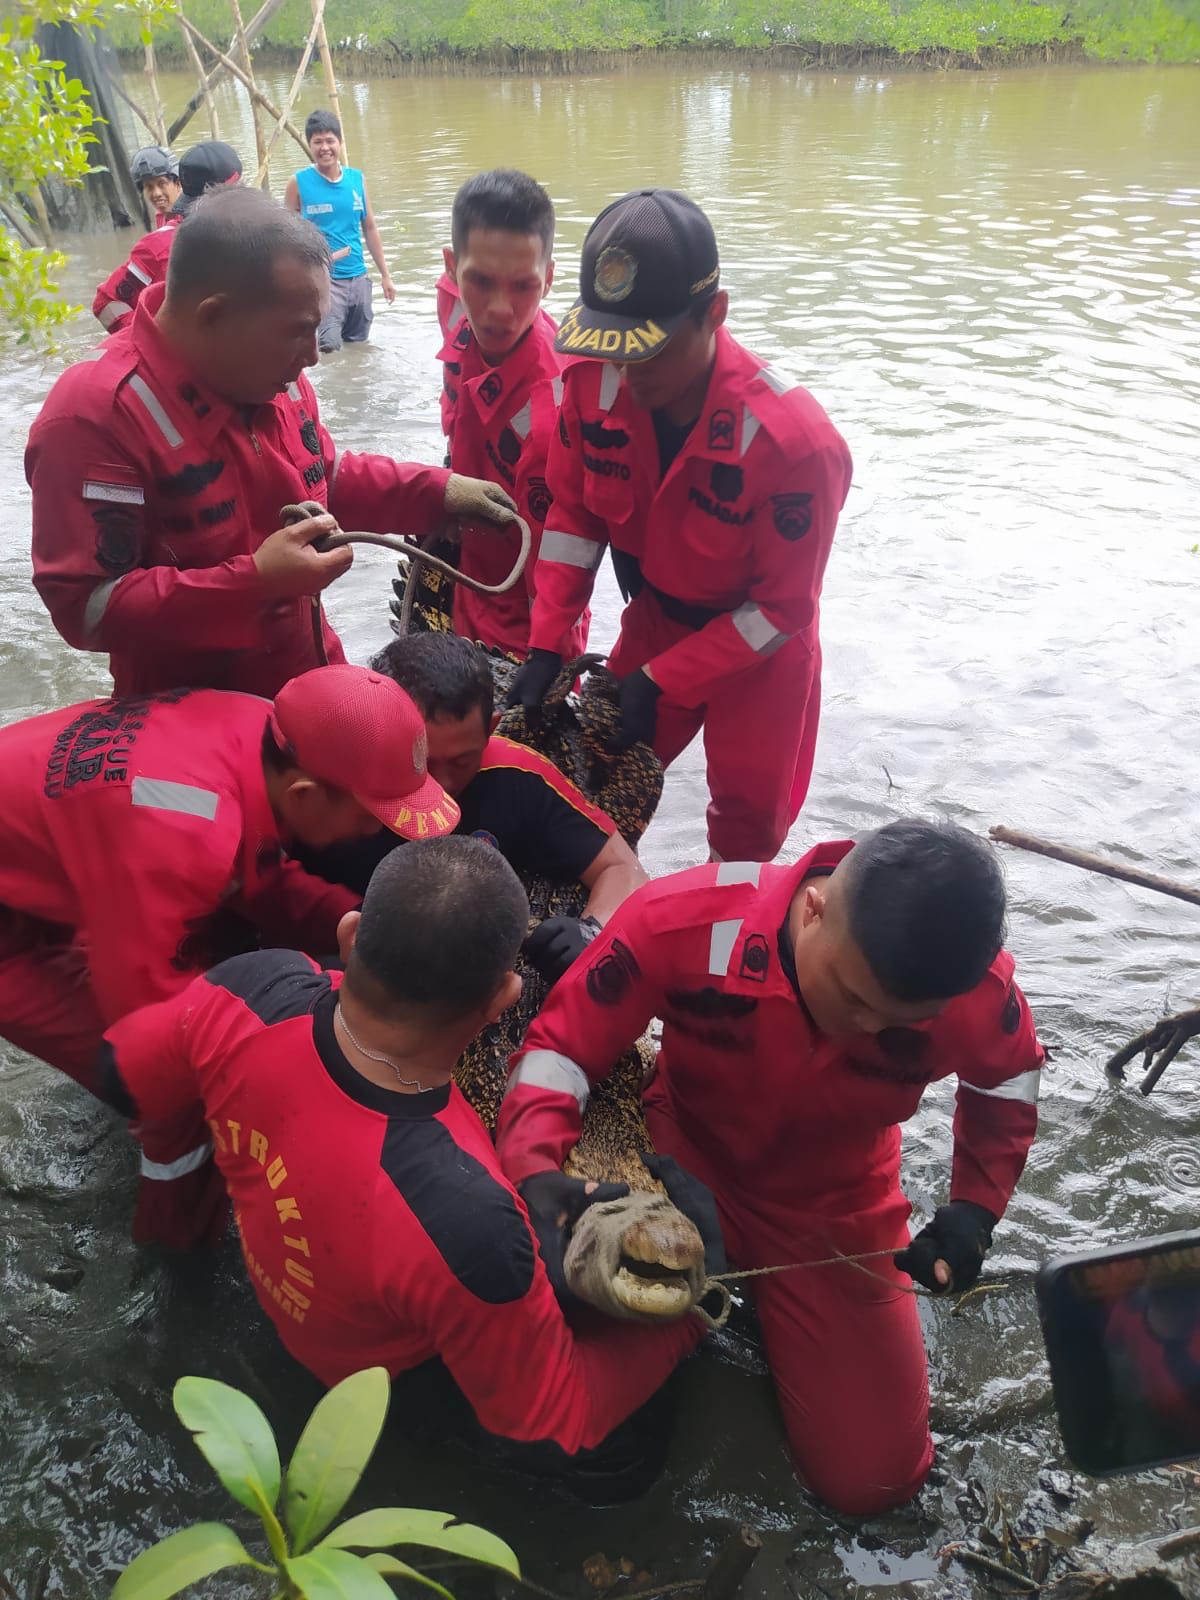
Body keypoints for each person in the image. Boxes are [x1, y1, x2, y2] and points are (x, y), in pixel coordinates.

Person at [98, 837, 712, 1498]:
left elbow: (120, 1072)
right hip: (378, 1390)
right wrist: (699, 1310)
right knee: (624, 1454)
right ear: (503, 998)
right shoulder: (466, 1211)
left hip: (290, 1302)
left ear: (351, 933)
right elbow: (547, 1423)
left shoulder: (256, 985)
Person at [497, 819, 1045, 1514]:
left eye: (898, 1022)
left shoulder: (973, 985)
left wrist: (974, 1210)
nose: (866, 1029)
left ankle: (706, 1316)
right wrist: (533, 1176)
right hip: (680, 1160)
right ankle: (686, 1325)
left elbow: (1006, 1085)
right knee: (581, 1423)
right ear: (813, 909)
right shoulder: (683, 919)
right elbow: (562, 1049)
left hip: (836, 1202)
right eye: (852, 996)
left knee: (874, 1484)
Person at [0, 663, 455, 1243]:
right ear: (305, 795)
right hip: (18, 917)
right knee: (176, 1093)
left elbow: (256, 872)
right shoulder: (182, 831)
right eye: (371, 822)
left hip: (56, 852)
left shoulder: (255, 723)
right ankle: (169, 1259)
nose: (372, 836)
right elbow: (157, 1039)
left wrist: (353, 920)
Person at [29, 187, 516, 700]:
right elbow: (86, 609)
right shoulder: (96, 416)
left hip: (310, 670)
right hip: (194, 716)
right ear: (213, 317)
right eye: (298, 332)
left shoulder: (271, 373)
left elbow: (322, 478)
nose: (313, 356)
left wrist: (437, 493)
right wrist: (255, 584)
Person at [507, 188, 853, 864]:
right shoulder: (592, 385)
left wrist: (663, 681)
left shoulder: (794, 445)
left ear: (715, 314)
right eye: (614, 350)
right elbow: (574, 518)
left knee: (747, 832)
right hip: (658, 616)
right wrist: (547, 643)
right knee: (591, 784)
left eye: (652, 352)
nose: (629, 375)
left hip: (760, 653)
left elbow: (779, 610)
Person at [297, 633, 646, 986]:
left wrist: (592, 930)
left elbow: (623, 867)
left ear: (490, 730)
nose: (444, 784)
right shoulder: (334, 783)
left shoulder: (515, 773)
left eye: (462, 760)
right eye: (423, 762)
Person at [426, 169, 585, 661]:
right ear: (453, 269)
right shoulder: (454, 307)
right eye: (481, 281)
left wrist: (550, 655)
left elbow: (565, 555)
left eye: (523, 286)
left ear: (550, 279)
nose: (499, 310)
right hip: (465, 568)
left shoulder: (555, 409)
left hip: (524, 607)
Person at [92, 141, 241, 334]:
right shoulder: (157, 245)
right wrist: (148, 336)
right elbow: (106, 301)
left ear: (180, 183)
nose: (156, 194)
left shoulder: (243, 232)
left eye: (162, 184)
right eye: (148, 187)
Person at [285, 110, 394, 353]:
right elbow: (286, 237)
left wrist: (385, 275)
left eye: (330, 140)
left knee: (358, 349)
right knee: (329, 349)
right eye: (318, 142)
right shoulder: (298, 183)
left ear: (340, 143)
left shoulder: (357, 179)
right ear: (310, 145)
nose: (325, 148)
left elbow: (370, 227)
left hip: (359, 279)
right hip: (324, 282)